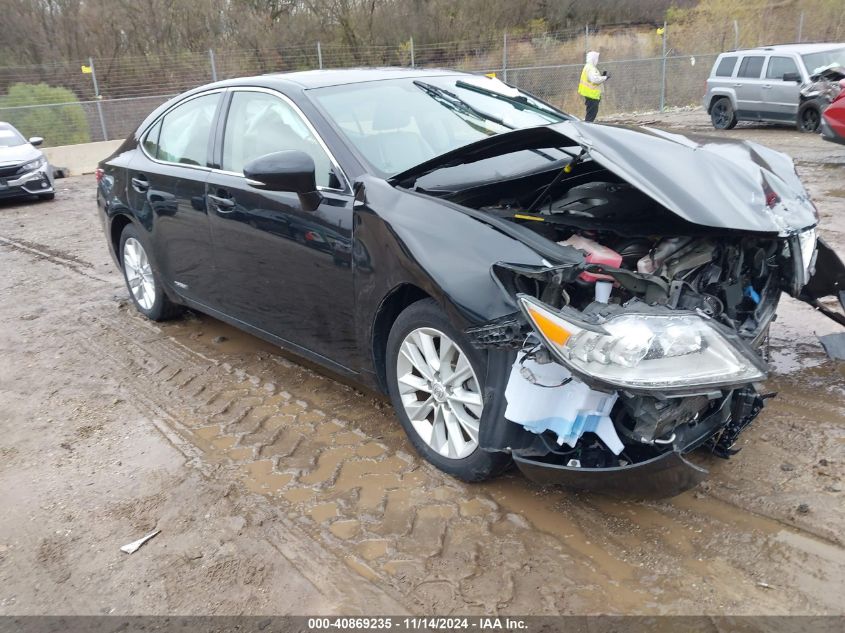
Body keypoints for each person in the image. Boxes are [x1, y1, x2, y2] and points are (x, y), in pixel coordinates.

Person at [578, 51, 609, 122]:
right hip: (592, 95)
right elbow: (594, 80)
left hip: (590, 94)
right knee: (591, 115)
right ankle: (587, 128)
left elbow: (593, 78)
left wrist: (602, 76)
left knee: (591, 114)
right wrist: (605, 77)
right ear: (593, 59)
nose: (597, 60)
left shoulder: (588, 67)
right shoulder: (591, 68)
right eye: (596, 58)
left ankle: (587, 126)